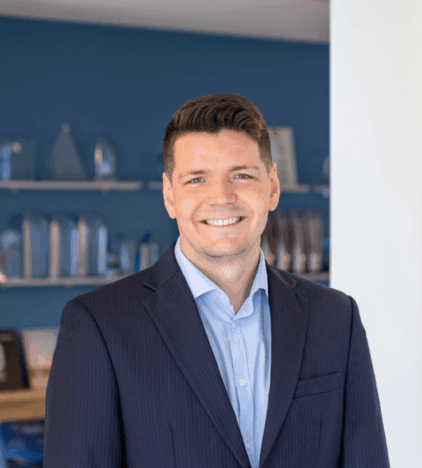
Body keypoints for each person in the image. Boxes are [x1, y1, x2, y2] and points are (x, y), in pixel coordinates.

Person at [44, 93, 390, 468]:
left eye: (241, 175)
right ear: (170, 195)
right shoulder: (99, 324)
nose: (221, 197)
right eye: (196, 179)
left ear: (272, 186)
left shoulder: (336, 318)